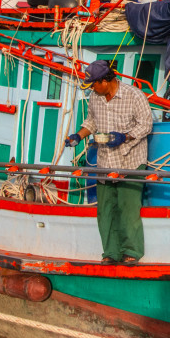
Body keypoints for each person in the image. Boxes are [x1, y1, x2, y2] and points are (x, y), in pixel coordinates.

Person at [65, 59, 154, 265]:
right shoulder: (95, 97)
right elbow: (92, 122)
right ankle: (111, 252)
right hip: (105, 161)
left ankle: (131, 251)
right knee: (105, 209)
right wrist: (78, 136)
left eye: (94, 84)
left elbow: (146, 125)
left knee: (127, 208)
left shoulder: (134, 96)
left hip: (130, 160)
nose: (93, 89)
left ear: (106, 80)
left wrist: (126, 136)